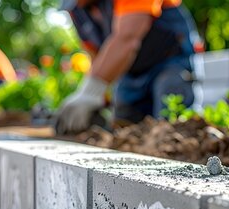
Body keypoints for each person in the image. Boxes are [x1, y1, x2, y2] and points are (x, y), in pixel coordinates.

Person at [56, 0, 202, 134]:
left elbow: (128, 38)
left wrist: (90, 91)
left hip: (171, 61)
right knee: (124, 131)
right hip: (131, 72)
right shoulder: (77, 10)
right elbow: (96, 55)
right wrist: (98, 97)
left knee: (170, 130)